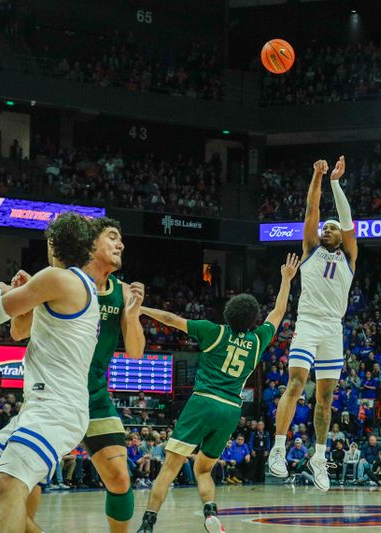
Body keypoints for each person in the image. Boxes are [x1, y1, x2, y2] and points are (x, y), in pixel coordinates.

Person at [0, 212, 105, 533]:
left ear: (52, 245)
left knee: (8, 484)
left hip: (58, 407)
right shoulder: (66, 284)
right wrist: (25, 294)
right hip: (38, 408)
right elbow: (19, 332)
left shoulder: (58, 278)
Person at [136, 254, 300, 533]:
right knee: (203, 469)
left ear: (229, 312)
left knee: (169, 468)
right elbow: (278, 311)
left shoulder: (213, 331)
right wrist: (286, 279)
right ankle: (211, 515)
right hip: (230, 409)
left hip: (203, 401)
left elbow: (171, 319)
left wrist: (143, 309)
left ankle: (147, 524)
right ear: (251, 319)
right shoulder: (258, 339)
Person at [9, 217, 146, 533]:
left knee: (120, 478)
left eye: (121, 238)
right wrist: (26, 303)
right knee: (24, 481)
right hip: (53, 397)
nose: (120, 243)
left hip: (94, 396)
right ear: (90, 243)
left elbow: (136, 352)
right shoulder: (59, 280)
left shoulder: (123, 292)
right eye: (112, 236)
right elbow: (18, 332)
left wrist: (133, 315)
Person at [269, 156, 357, 492]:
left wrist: (337, 183)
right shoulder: (310, 249)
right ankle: (278, 450)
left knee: (326, 398)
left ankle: (318, 458)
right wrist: (319, 177)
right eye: (325, 227)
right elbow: (311, 210)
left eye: (331, 228)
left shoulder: (349, 256)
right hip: (307, 322)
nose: (327, 229)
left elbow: (347, 222)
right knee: (296, 382)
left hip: (333, 327)